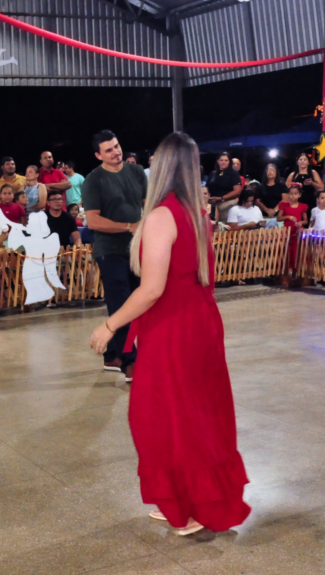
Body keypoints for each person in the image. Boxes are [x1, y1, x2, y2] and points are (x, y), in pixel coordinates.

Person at [87, 131, 250, 537]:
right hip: (199, 322)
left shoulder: (164, 216)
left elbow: (151, 289)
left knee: (166, 417)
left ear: (160, 167)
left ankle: (191, 506)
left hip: (174, 328)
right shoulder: (196, 213)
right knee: (193, 413)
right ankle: (184, 496)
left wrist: (110, 325)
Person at [82, 130, 148, 381]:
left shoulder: (136, 171)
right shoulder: (93, 180)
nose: (115, 152)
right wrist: (129, 227)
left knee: (137, 304)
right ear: (98, 155)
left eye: (117, 146)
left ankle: (112, 354)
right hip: (110, 251)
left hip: (137, 249)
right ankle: (130, 361)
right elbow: (93, 221)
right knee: (121, 304)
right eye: (108, 150)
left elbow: (148, 203)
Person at [277, 183, 308, 270]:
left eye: (295, 194)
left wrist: (301, 223)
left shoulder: (302, 206)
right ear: (288, 194)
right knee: (286, 251)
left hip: (297, 232)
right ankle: (285, 269)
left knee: (297, 251)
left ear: (299, 195)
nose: (293, 195)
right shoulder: (284, 205)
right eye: (291, 193)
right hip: (287, 232)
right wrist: (288, 217)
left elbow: (306, 220)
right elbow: (278, 218)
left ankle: (296, 269)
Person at [205, 151, 242, 223]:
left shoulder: (234, 173)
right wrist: (208, 199)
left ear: (229, 162)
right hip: (213, 205)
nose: (223, 162)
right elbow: (207, 189)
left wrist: (221, 198)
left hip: (228, 204)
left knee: (227, 227)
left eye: (226, 160)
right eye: (221, 160)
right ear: (218, 161)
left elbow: (237, 191)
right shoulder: (213, 173)